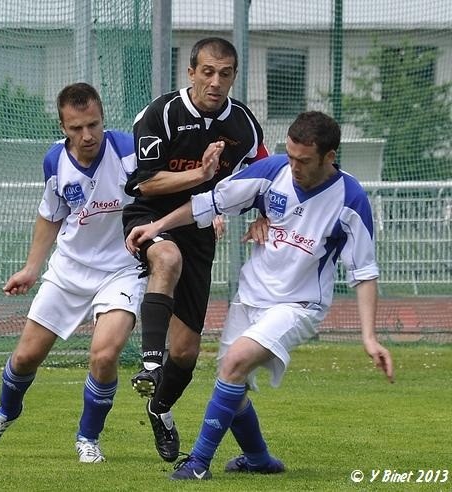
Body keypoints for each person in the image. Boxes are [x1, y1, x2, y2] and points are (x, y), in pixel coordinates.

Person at [125, 111, 395, 480]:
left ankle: (198, 464)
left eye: (304, 160)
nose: (294, 165)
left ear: (329, 157)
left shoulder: (351, 199)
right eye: (290, 154)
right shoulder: (272, 172)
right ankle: (258, 460)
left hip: (298, 306)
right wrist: (155, 226)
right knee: (231, 384)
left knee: (234, 363)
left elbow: (364, 273)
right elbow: (209, 203)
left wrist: (369, 337)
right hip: (250, 298)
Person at [0, 82, 144, 463]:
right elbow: (50, 215)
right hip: (68, 270)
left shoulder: (129, 151)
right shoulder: (55, 161)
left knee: (104, 355)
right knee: (25, 358)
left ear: (103, 119)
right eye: (77, 128)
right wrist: (32, 268)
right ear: (63, 127)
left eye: (94, 125)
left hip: (123, 270)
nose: (87, 135)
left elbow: (162, 188)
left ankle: (88, 439)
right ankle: (5, 411)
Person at [121, 37, 269, 462]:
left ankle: (159, 407)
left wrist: (264, 212)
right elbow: (147, 182)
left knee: (185, 354)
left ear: (234, 77)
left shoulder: (243, 124)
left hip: (200, 231)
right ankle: (150, 364)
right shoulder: (161, 113)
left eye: (225, 74)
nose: (215, 82)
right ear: (191, 73)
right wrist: (201, 175)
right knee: (167, 257)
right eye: (207, 72)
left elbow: (264, 171)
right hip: (149, 216)